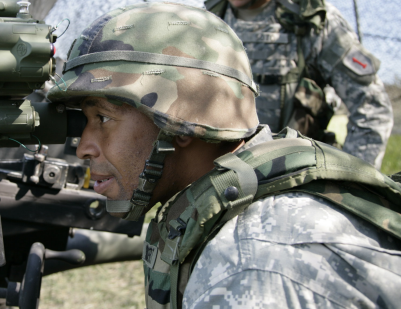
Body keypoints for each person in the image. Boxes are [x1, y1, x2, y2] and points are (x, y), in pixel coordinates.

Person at [46, 2, 401, 308]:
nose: (82, 148)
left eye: (103, 118)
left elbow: (372, 108)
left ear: (178, 120)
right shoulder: (221, 225)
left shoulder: (250, 267)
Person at [205, 0, 393, 170]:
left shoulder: (313, 21)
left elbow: (372, 108)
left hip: (293, 184)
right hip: (219, 178)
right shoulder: (208, 19)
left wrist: (351, 183)